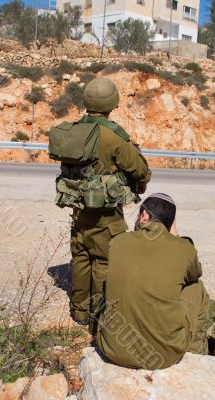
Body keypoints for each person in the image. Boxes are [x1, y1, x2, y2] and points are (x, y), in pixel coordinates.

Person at [68, 78, 151, 330]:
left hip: (79, 208)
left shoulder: (72, 130)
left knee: (81, 256)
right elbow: (140, 170)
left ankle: (80, 311)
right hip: (106, 213)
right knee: (104, 260)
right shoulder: (113, 136)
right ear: (112, 103)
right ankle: (98, 315)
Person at [96, 193, 209, 370]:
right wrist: (177, 238)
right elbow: (195, 274)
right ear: (170, 224)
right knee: (197, 288)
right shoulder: (184, 249)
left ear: (144, 216)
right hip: (164, 357)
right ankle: (196, 353)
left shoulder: (117, 242)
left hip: (112, 348)